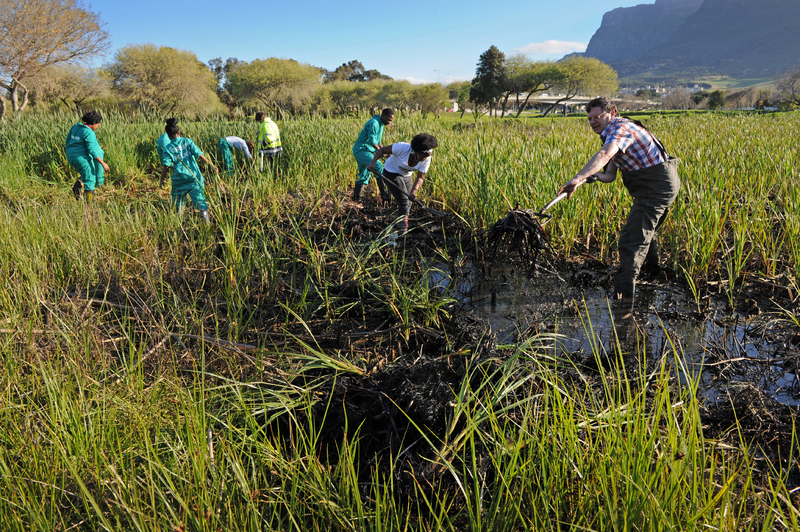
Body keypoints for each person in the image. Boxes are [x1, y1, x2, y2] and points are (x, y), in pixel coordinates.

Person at [557, 97, 680, 302]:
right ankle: (653, 275)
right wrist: (587, 179)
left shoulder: (621, 128)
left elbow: (605, 155)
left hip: (656, 187)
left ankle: (624, 302)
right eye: (589, 119)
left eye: (597, 116)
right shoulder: (611, 134)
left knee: (631, 242)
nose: (593, 122)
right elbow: (609, 175)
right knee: (646, 232)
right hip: (658, 185)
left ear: (612, 113)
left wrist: (578, 176)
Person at [367, 133, 438, 234]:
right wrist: (373, 163)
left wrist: (414, 191)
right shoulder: (402, 148)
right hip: (391, 172)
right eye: (425, 156)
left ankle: (401, 224)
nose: (426, 158)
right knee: (403, 201)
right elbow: (382, 150)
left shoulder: (427, 158)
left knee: (409, 202)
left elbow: (420, 177)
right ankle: (402, 231)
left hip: (406, 175)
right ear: (417, 152)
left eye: (428, 156)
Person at [158, 119, 218, 224]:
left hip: (179, 180)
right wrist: (211, 165)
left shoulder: (168, 148)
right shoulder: (187, 141)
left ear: (168, 135)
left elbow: (166, 166)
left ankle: (179, 225)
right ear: (179, 133)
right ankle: (207, 224)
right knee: (200, 202)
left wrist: (161, 179)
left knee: (178, 202)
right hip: (193, 177)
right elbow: (199, 154)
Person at [65, 110, 110, 201]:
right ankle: (89, 206)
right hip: (81, 158)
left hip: (71, 156)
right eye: (98, 124)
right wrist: (103, 163)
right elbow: (92, 150)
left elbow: (67, 141)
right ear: (93, 123)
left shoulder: (75, 128)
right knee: (90, 179)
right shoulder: (89, 132)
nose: (98, 126)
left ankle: (78, 187)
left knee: (86, 174)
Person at [352, 108, 394, 203]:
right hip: (361, 150)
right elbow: (372, 140)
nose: (389, 123)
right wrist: (380, 152)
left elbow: (378, 142)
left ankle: (357, 199)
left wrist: (384, 151)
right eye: (388, 120)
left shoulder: (381, 123)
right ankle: (384, 195)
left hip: (367, 151)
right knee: (378, 166)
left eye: (391, 121)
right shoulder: (374, 123)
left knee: (364, 175)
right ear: (383, 116)